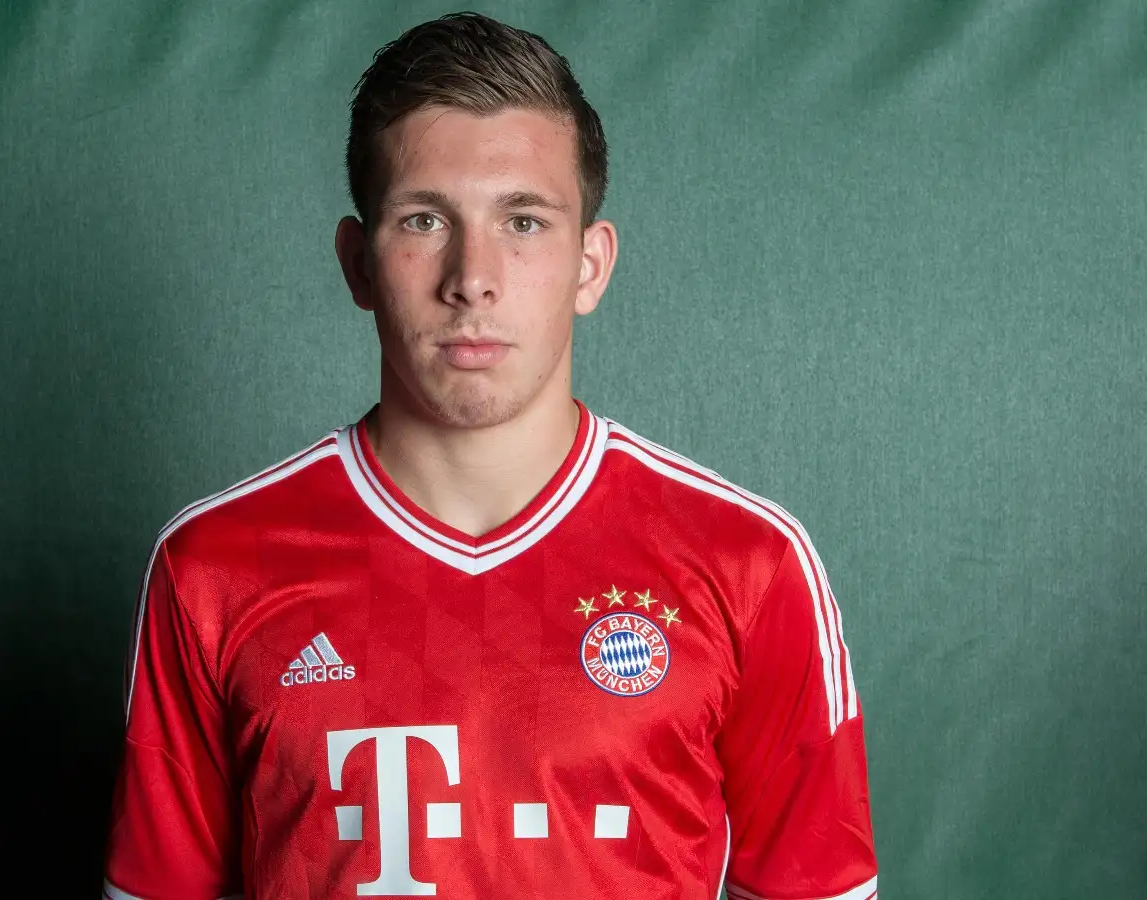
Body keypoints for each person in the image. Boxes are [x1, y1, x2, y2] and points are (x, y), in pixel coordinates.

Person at [102, 11, 876, 900]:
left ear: (592, 264)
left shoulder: (750, 564)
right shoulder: (212, 570)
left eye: (525, 221)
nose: (473, 275)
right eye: (425, 218)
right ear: (359, 263)